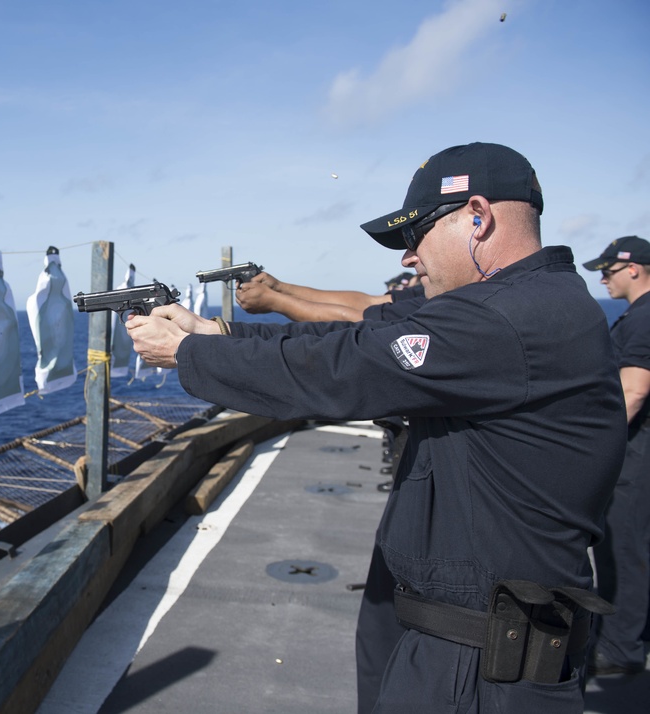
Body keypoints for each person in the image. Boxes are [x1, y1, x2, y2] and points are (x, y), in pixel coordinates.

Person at [128, 142, 626, 712]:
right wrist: (218, 337)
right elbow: (359, 342)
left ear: (479, 217)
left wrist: (190, 354)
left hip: (483, 665)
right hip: (466, 638)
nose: (409, 257)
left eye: (416, 236)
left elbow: (346, 371)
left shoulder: (507, 319)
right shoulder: (521, 306)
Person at [582, 236, 650, 677]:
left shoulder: (644, 320)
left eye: (608, 270)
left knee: (624, 551)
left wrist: (592, 449)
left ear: (635, 269)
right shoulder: (638, 317)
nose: (603, 278)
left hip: (636, 457)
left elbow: (633, 390)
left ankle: (621, 650)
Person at [236, 270, 425, 322]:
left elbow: (362, 320)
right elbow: (370, 303)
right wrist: (279, 288)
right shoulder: (429, 292)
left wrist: (275, 301)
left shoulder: (440, 297)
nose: (408, 260)